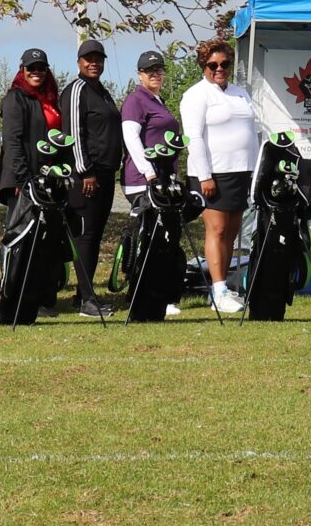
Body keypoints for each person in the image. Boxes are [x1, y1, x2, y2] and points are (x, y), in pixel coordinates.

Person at [180, 38, 260, 315]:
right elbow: (194, 138)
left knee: (231, 233)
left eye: (225, 64)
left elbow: (253, 132)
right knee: (217, 230)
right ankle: (218, 289)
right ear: (203, 66)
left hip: (241, 172)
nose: (219, 69)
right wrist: (205, 176)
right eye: (213, 64)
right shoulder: (196, 95)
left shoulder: (240, 93)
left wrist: (256, 170)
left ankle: (221, 288)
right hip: (212, 173)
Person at [0, 47, 66, 306]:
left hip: (48, 179)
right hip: (24, 181)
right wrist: (22, 179)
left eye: (41, 68)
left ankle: (41, 296)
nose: (36, 72)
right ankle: (12, 295)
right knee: (20, 238)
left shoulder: (48, 99)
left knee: (45, 240)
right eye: (31, 68)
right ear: (22, 70)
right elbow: (13, 141)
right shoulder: (16, 98)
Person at [63, 40, 125, 318]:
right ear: (79, 62)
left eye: (98, 58)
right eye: (88, 59)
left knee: (96, 235)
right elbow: (73, 133)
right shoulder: (76, 90)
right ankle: (88, 300)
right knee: (85, 236)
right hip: (85, 176)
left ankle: (82, 295)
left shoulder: (103, 92)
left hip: (105, 174)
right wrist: (84, 170)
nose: (93, 63)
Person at [119, 50, 182, 207]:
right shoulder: (135, 100)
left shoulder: (158, 101)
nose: (155, 74)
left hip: (162, 177)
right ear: (140, 74)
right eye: (149, 70)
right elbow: (130, 137)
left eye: (158, 70)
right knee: (152, 228)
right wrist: (149, 173)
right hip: (143, 181)